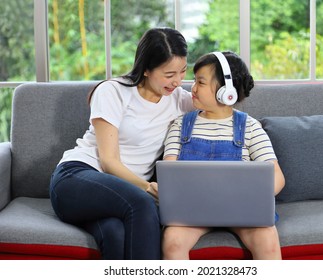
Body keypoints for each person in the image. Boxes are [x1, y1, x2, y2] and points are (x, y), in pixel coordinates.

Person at [48, 27, 194, 260]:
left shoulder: (179, 99)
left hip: (117, 197)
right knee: (143, 205)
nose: (177, 81)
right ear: (146, 69)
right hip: (76, 177)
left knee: (115, 233)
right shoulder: (113, 91)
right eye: (169, 74)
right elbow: (108, 162)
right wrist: (147, 188)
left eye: (183, 71)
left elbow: (217, 107)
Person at [148, 51, 285, 260]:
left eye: (200, 82)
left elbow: (277, 177)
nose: (192, 88)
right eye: (194, 81)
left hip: (243, 210)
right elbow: (170, 173)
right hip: (191, 211)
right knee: (173, 241)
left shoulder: (250, 126)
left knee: (267, 240)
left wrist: (252, 196)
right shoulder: (180, 125)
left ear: (226, 91)